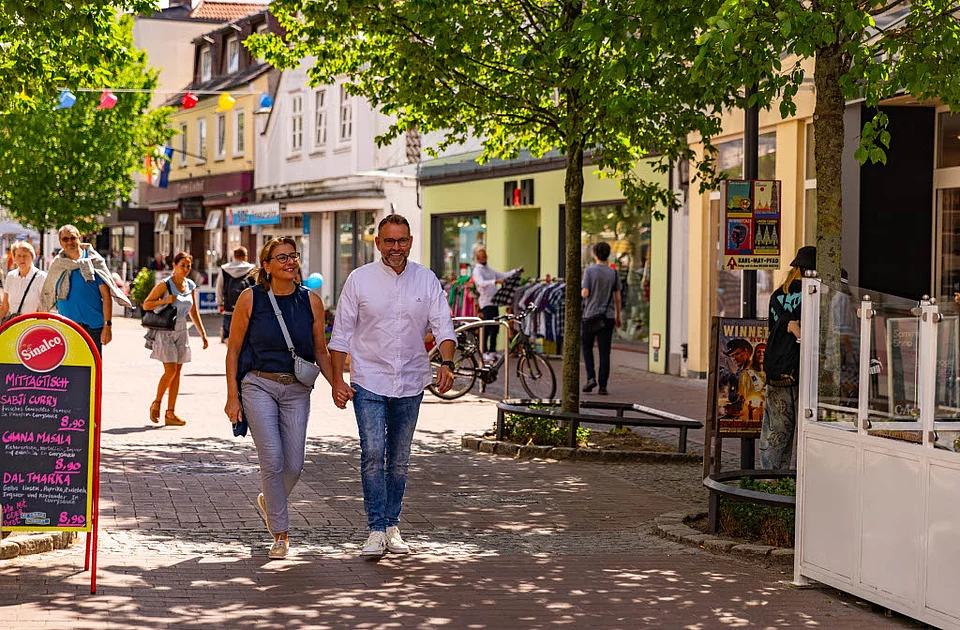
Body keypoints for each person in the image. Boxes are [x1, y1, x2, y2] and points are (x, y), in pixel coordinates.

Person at [328, 214, 456, 559]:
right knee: (372, 452)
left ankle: (392, 525)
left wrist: (447, 362)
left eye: (401, 241)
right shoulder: (360, 280)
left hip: (412, 379)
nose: (395, 248)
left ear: (410, 242)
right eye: (389, 241)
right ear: (378, 243)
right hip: (369, 378)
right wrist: (336, 380)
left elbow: (443, 325)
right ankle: (375, 528)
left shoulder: (426, 279)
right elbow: (340, 335)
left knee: (399, 459)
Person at [225, 237, 335, 559]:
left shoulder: (311, 302)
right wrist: (233, 396)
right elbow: (233, 350)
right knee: (272, 460)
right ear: (267, 266)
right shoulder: (251, 299)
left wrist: (336, 384)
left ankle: (269, 499)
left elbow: (320, 350)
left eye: (293, 256)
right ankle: (281, 534)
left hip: (297, 388)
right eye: (282, 258)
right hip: (258, 384)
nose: (290, 262)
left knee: (295, 465)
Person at [759, 245, 815, 470]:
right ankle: (803, 480)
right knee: (807, 429)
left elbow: (773, 329)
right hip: (804, 371)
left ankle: (771, 482)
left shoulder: (778, 294)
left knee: (776, 430)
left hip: (778, 369)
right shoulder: (814, 295)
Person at [39, 225, 131, 355]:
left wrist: (108, 326)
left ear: (79, 238)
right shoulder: (57, 264)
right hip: (67, 326)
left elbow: (106, 296)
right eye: (65, 239)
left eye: (73, 238)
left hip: (93, 326)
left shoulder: (94, 262)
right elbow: (48, 293)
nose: (70, 242)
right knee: (69, 370)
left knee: (92, 369)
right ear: (60, 242)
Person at [142, 252, 209, 426]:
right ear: (174, 265)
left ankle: (170, 413)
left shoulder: (190, 285)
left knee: (178, 373)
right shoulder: (165, 284)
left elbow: (193, 311)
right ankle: (156, 403)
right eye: (182, 265)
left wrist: (202, 333)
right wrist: (165, 300)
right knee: (170, 371)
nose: (186, 269)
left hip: (182, 329)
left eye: (188, 266)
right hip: (166, 330)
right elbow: (146, 304)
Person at [581, 241, 622, 395]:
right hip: (608, 316)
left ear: (595, 254)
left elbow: (585, 293)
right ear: (608, 254)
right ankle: (603, 385)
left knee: (587, 347)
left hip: (590, 315)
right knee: (605, 352)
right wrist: (618, 316)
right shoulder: (614, 272)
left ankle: (591, 377)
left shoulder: (590, 271)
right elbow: (617, 297)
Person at [471, 247, 520, 362]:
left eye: (485, 257)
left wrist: (515, 271)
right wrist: (495, 282)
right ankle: (484, 351)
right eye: (482, 257)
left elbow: (501, 275)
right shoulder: (477, 270)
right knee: (487, 327)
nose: (484, 259)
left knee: (495, 327)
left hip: (494, 302)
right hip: (485, 303)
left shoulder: (488, 269)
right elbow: (480, 283)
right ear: (478, 258)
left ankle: (492, 351)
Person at [216, 246, 255, 343]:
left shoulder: (225, 269)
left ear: (234, 256)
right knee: (246, 334)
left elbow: (219, 287)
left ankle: (231, 353)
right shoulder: (251, 269)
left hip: (229, 307)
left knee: (228, 334)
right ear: (245, 256)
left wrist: (220, 303)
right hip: (247, 308)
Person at [0, 241, 46, 321]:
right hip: (14, 325)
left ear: (32, 257)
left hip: (32, 326)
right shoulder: (11, 276)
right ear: (14, 257)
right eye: (18, 256)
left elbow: (44, 307)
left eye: (25, 256)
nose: (22, 259)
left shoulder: (41, 277)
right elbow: (4, 307)